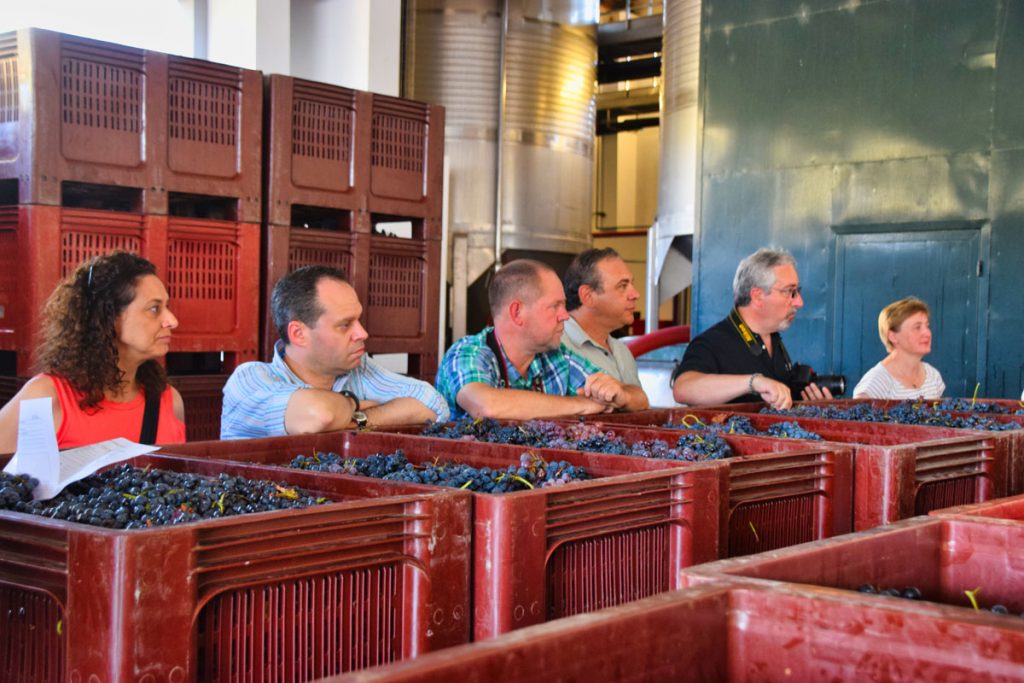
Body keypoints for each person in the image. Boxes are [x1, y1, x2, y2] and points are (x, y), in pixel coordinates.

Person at [220, 265, 448, 439]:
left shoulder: (357, 370)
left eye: (358, 319)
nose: (363, 333)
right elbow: (320, 415)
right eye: (345, 324)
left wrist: (361, 419)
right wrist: (355, 403)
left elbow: (433, 404)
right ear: (299, 333)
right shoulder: (248, 380)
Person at [0, 252, 186, 452]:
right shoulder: (45, 396)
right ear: (110, 317)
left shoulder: (169, 401)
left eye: (167, 306)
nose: (172, 320)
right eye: (154, 309)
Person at [436, 258, 637, 420]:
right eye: (555, 306)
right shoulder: (467, 353)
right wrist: (583, 405)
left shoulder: (555, 358)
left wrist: (621, 394)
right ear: (517, 313)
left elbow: (641, 399)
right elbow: (487, 406)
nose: (565, 315)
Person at [671, 248, 832, 410]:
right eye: (790, 292)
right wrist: (753, 382)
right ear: (757, 296)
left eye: (797, 292)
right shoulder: (712, 343)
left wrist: (809, 407)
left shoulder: (773, 338)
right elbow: (682, 389)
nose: (799, 302)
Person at [561, 248, 649, 410]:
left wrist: (628, 395)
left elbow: (642, 404)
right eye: (622, 286)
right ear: (587, 295)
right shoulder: (554, 345)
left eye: (632, 284)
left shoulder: (622, 351)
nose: (635, 294)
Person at [853, 297, 945, 399]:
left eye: (927, 326)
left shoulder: (932, 375)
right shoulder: (875, 384)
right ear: (892, 336)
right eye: (917, 327)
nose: (927, 333)